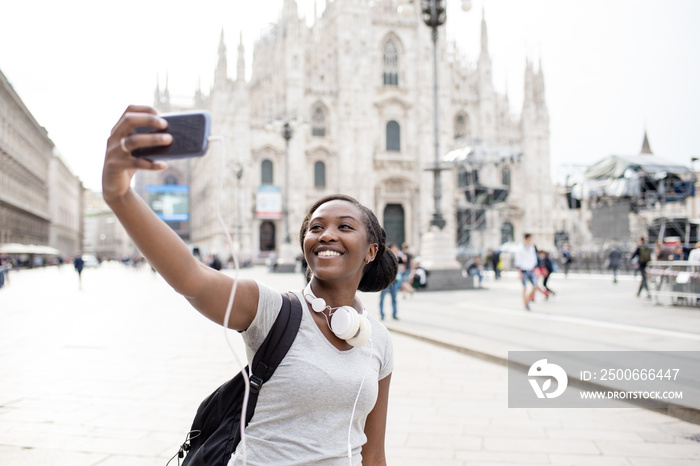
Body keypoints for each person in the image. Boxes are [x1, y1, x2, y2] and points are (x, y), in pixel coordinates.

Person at [103, 105, 396, 465]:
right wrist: (119, 194)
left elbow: (374, 450)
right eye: (316, 227)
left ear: (371, 251)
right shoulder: (271, 310)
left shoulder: (377, 340)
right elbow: (191, 278)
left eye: (345, 226)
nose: (327, 235)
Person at [514, 233, 539, 311]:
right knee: (524, 287)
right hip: (523, 270)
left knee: (535, 286)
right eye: (529, 239)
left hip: (531, 269)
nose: (530, 241)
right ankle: (525, 303)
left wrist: (536, 268)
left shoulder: (532, 248)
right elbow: (518, 260)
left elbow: (534, 258)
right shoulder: (520, 248)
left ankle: (527, 299)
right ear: (526, 239)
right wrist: (519, 272)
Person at [379, 244, 401, 319]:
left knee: (394, 299)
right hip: (385, 281)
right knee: (382, 299)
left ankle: (394, 314)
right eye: (394, 248)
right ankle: (382, 314)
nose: (396, 249)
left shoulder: (397, 257)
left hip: (394, 281)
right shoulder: (384, 257)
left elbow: (402, 265)